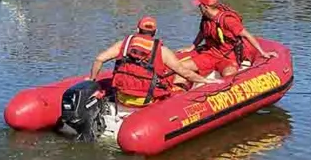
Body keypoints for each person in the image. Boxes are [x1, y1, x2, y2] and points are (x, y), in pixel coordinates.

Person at [89, 16, 221, 108]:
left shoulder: (123, 44)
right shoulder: (162, 51)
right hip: (146, 100)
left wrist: (93, 80)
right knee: (179, 79)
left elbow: (99, 59)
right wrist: (206, 81)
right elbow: (185, 72)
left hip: (122, 96)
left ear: (137, 30)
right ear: (155, 32)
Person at [178, 0, 278, 79]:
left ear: (206, 7)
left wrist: (263, 53)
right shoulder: (206, 18)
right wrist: (192, 46)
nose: (199, 8)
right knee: (180, 67)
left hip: (228, 57)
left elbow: (247, 35)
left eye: (200, 6)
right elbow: (203, 32)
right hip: (211, 54)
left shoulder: (228, 20)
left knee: (228, 74)